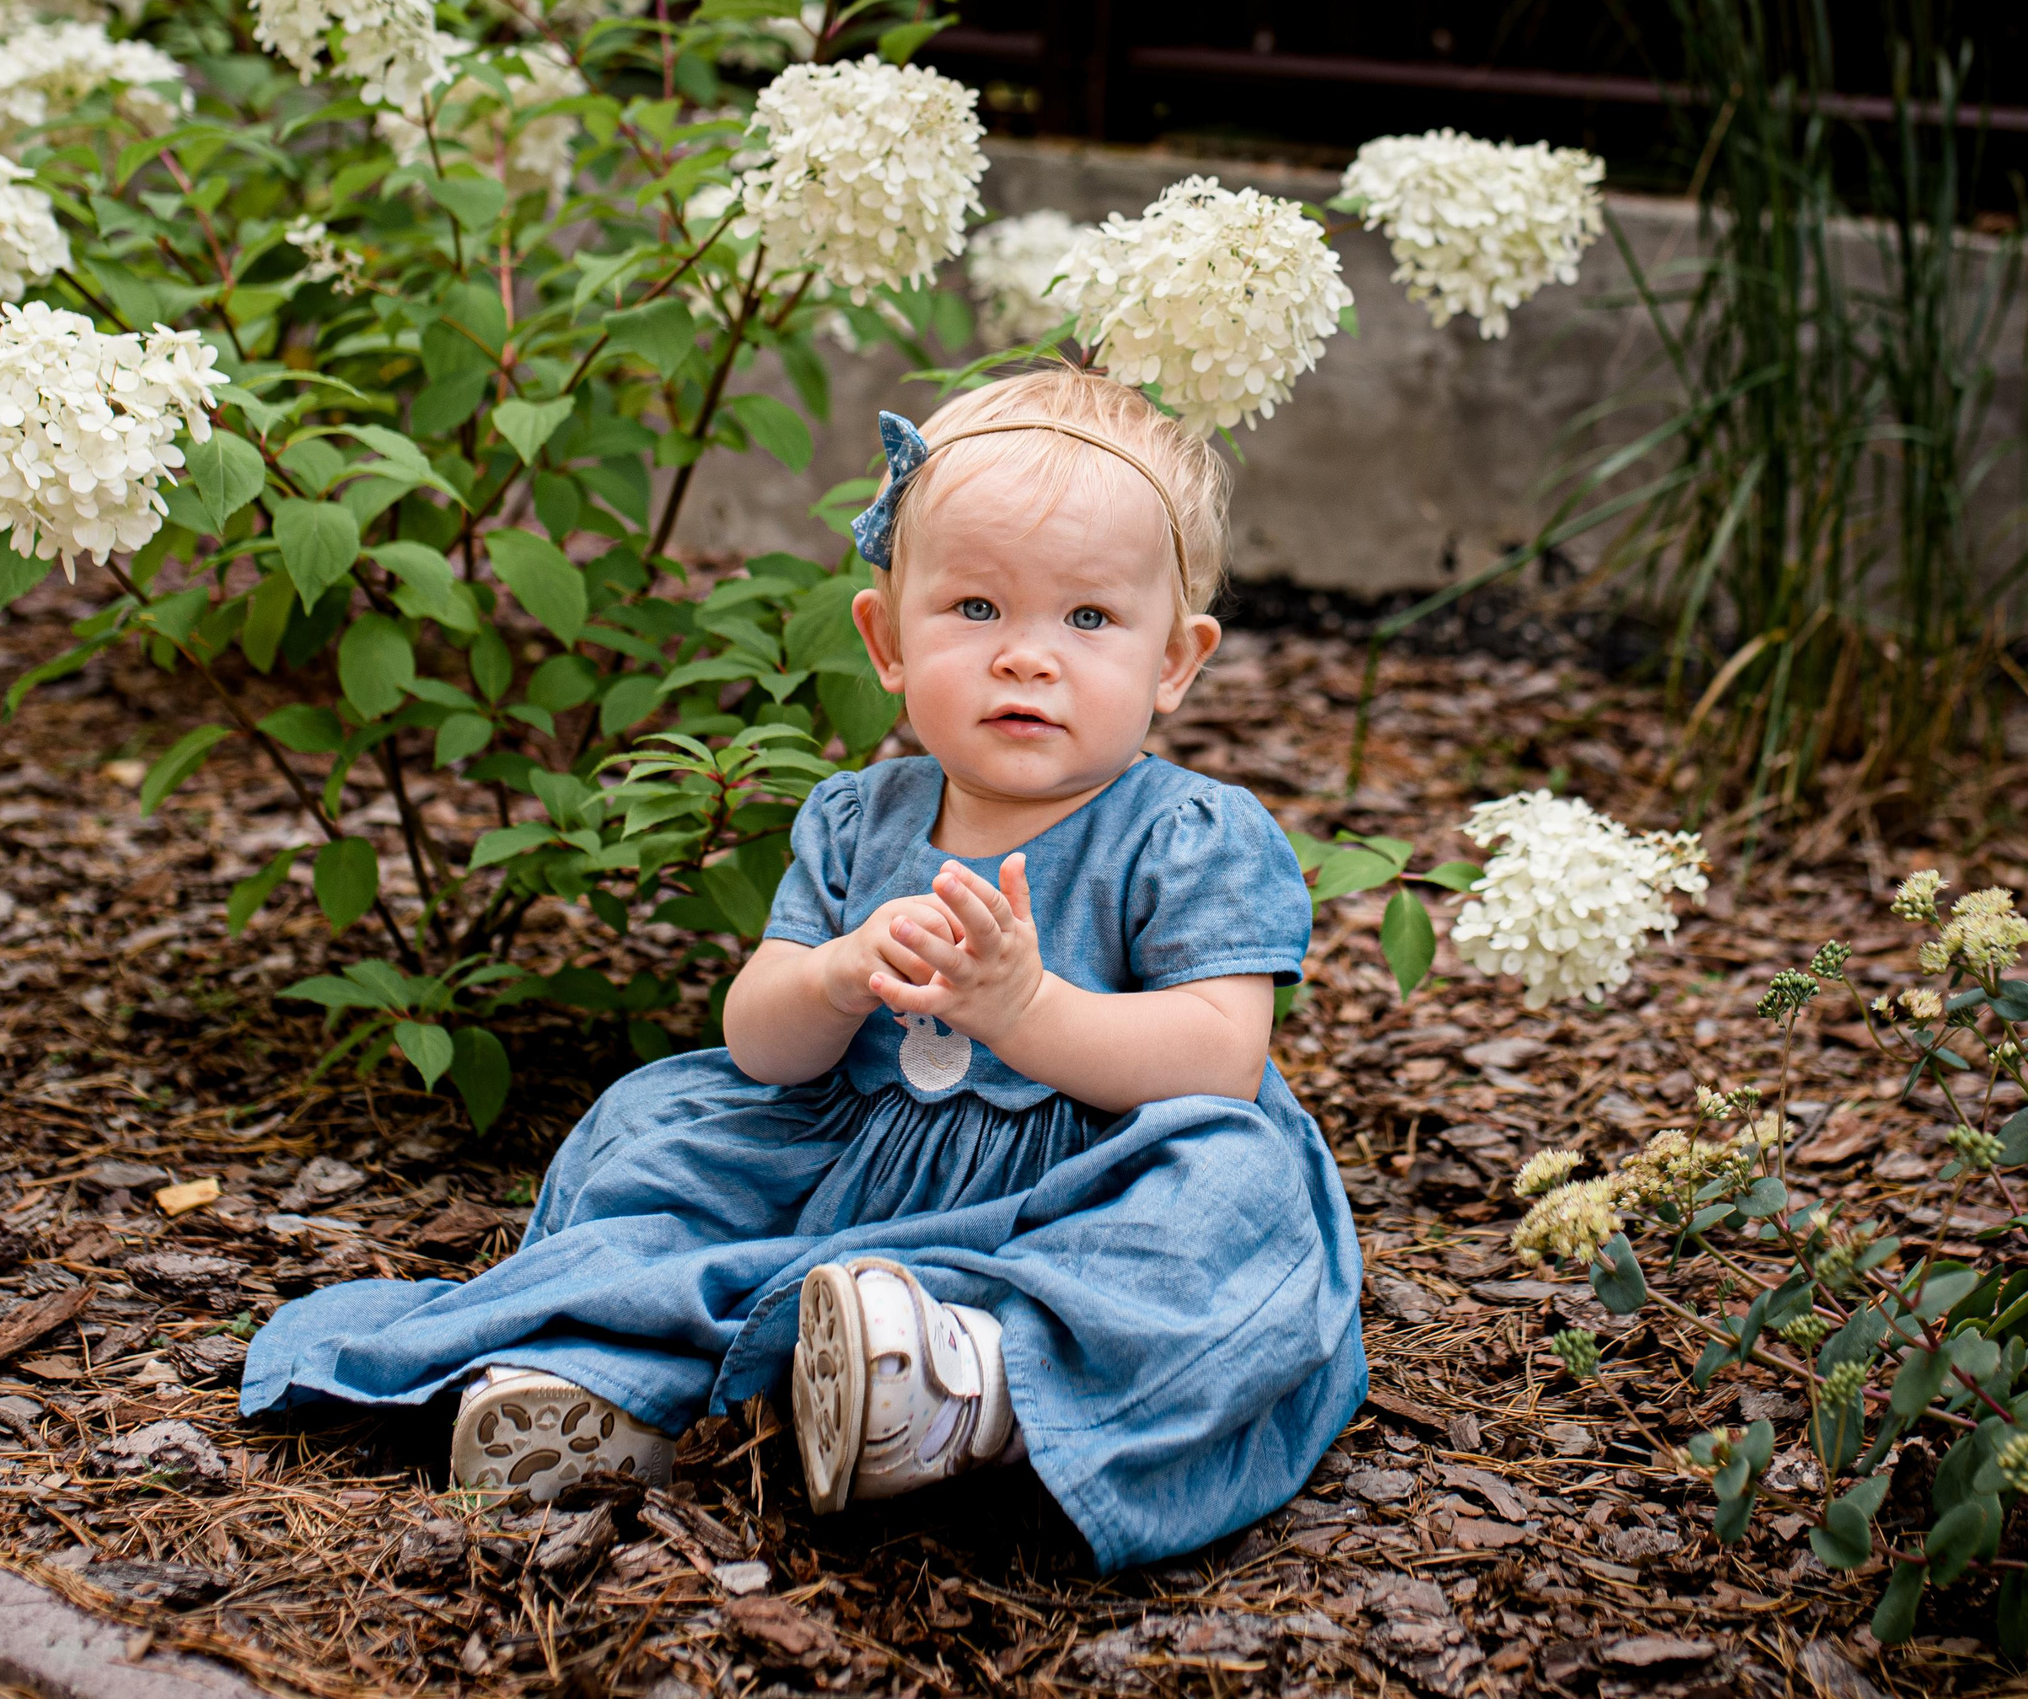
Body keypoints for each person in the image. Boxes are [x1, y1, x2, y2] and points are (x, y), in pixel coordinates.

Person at [240, 366, 1366, 1572]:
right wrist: (831, 975)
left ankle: (969, 1383)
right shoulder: (854, 819)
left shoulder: (1190, 832)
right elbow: (759, 1041)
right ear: (885, 638)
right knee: (656, 1124)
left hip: (1083, 1176)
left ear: (1173, 663)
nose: (1026, 658)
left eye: (1088, 619)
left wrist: (1025, 1006)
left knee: (1230, 1193)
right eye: (976, 608)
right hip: (846, 1155)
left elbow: (1215, 1057)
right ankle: (596, 1390)